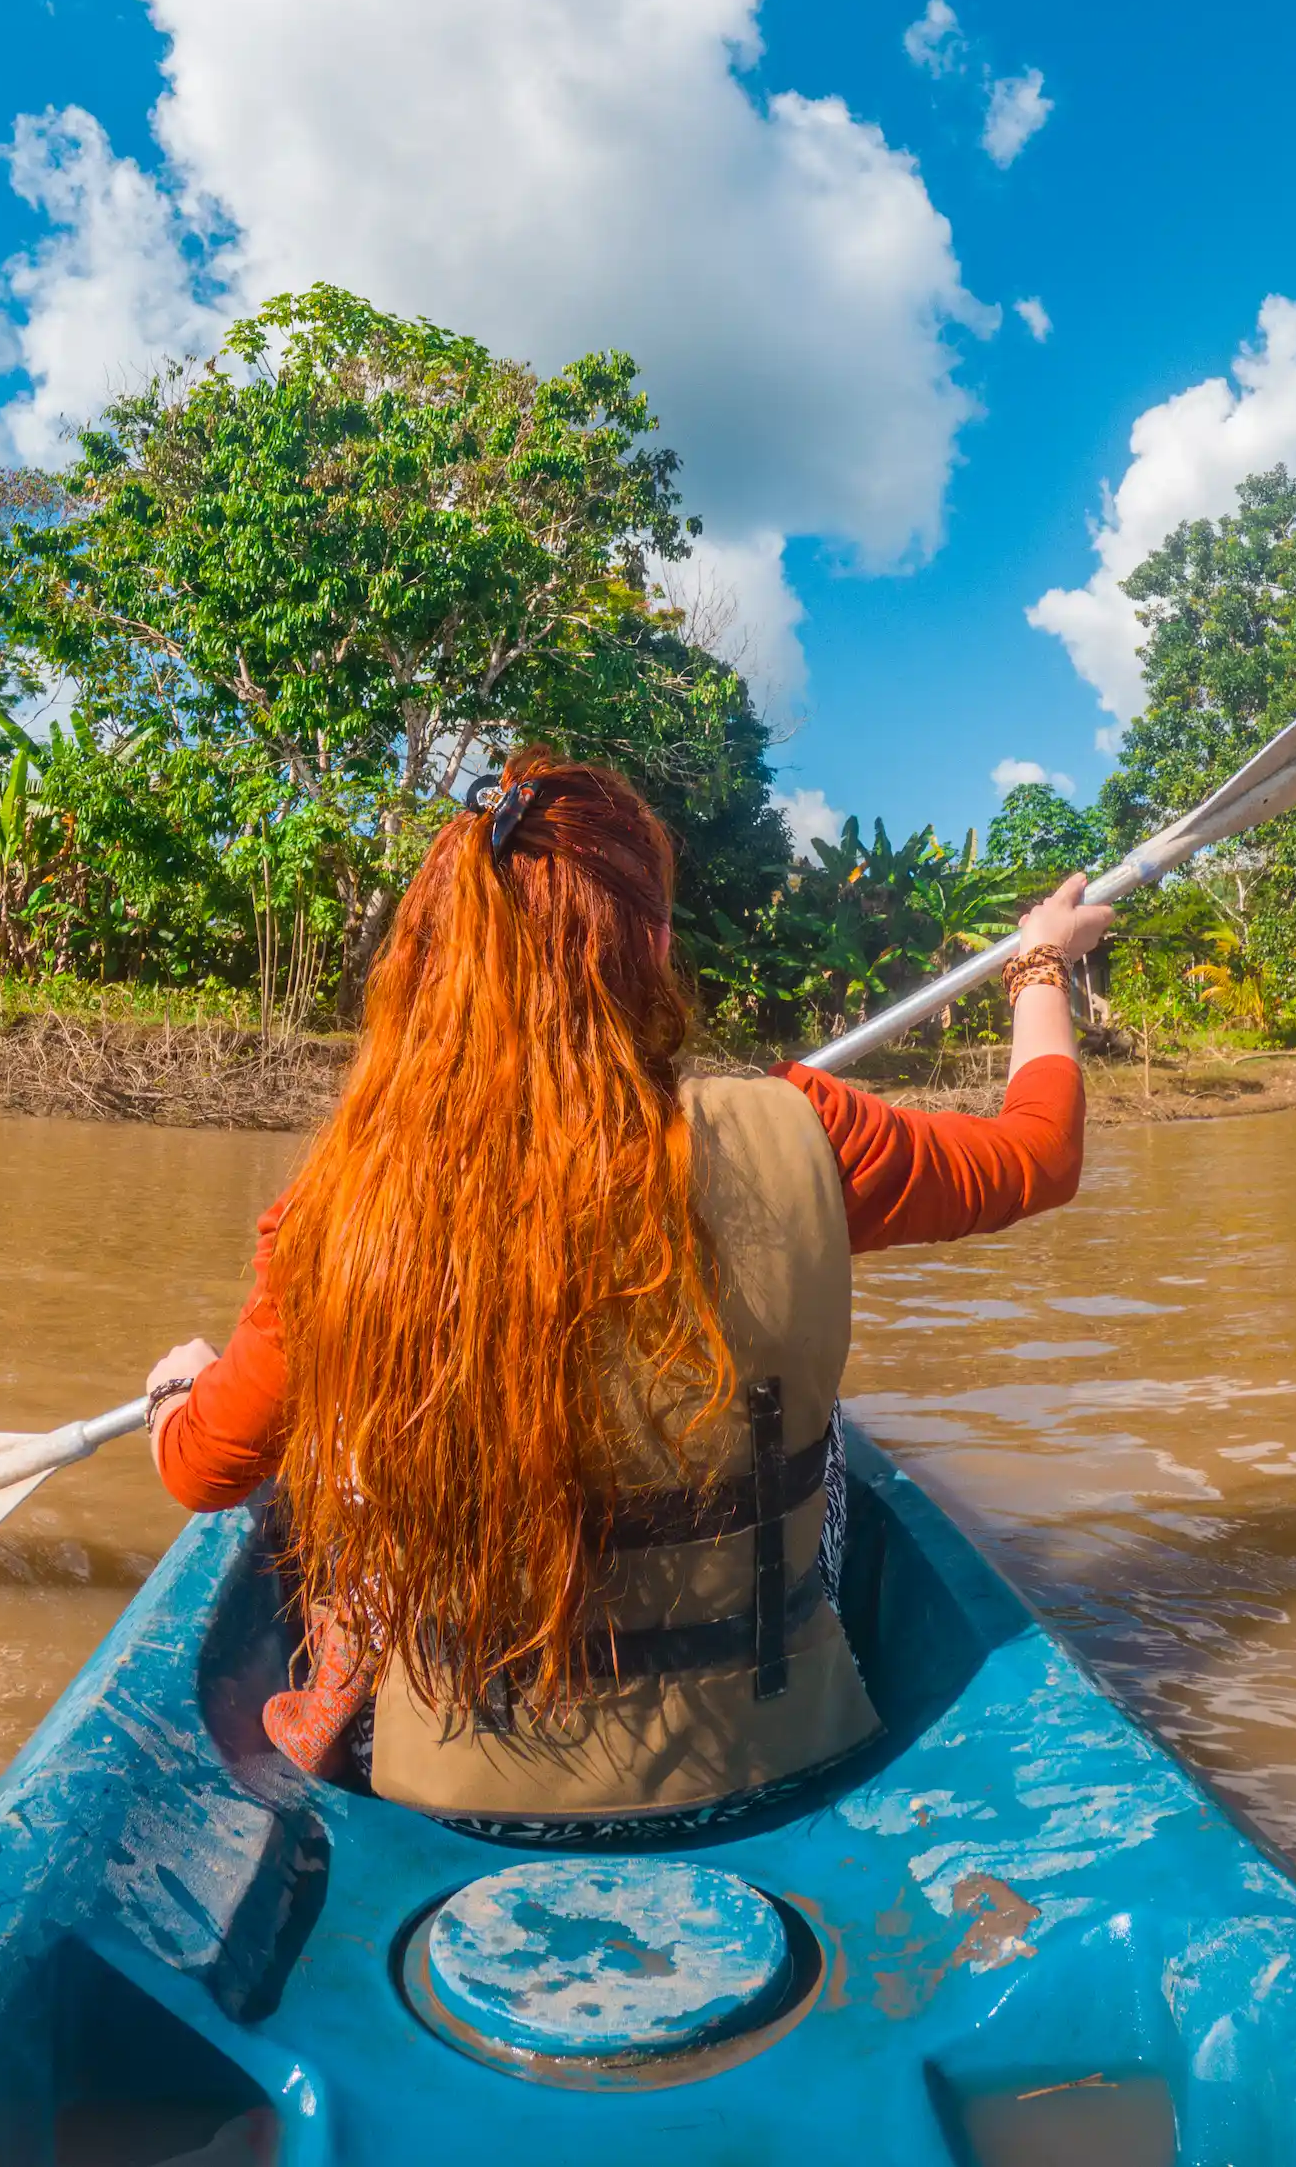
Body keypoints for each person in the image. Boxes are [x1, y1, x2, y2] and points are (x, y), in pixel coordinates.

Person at [144, 747, 1110, 1829]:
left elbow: (203, 1471)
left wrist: (172, 1393)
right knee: (816, 1428)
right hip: (770, 1752)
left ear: (428, 966)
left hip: (455, 1787)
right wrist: (1039, 969)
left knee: (346, 1462)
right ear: (650, 945)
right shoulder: (805, 1130)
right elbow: (1038, 1156)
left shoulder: (336, 1206)